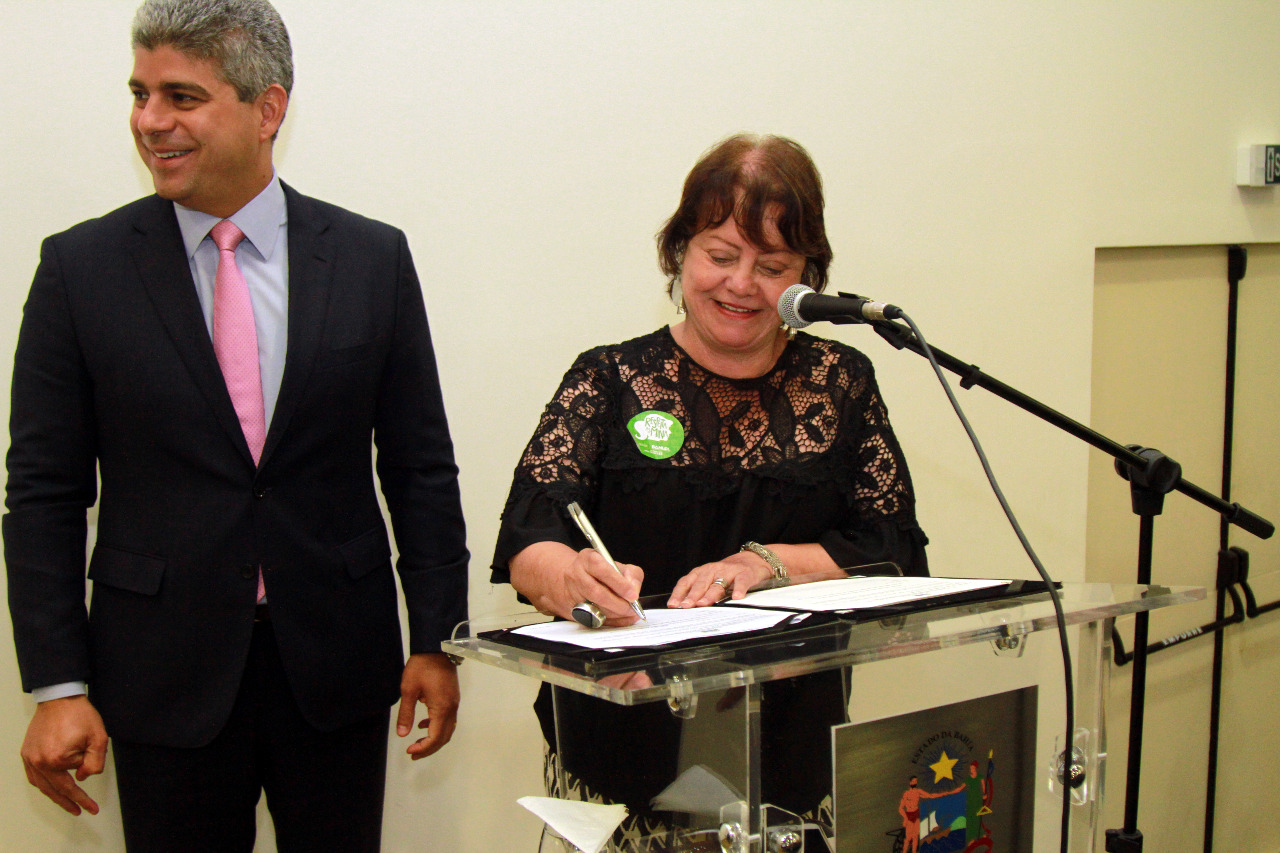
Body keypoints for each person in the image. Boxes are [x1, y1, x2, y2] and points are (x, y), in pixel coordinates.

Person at [4, 2, 468, 851]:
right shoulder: (79, 269)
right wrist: (57, 684)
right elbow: (42, 494)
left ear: (267, 109)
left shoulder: (371, 258)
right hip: (159, 675)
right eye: (140, 94)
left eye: (181, 97)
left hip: (335, 667)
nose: (151, 121)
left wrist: (438, 638)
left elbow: (419, 466)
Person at [491, 133, 927, 850]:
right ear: (679, 253)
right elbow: (527, 537)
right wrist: (570, 577)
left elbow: (892, 548)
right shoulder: (609, 379)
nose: (741, 284)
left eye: (773, 266)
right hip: (624, 754)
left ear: (806, 280)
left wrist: (765, 563)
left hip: (787, 756)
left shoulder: (840, 382)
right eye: (721, 256)